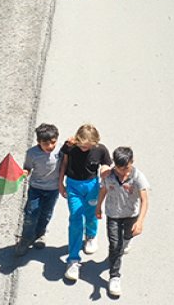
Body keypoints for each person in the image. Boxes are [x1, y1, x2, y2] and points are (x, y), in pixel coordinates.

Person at [60, 124, 112, 283]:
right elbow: (64, 163)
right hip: (73, 186)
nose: (84, 148)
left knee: (91, 214)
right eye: (81, 144)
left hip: (92, 186)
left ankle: (91, 235)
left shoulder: (101, 149)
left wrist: (105, 171)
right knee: (75, 218)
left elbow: (105, 164)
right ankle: (73, 260)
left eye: (87, 146)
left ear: (95, 143)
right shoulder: (70, 146)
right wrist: (60, 183)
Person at [96, 146, 150, 298]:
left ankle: (127, 240)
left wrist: (140, 222)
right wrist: (98, 207)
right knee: (115, 246)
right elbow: (103, 190)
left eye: (126, 168)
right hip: (113, 214)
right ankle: (114, 276)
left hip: (130, 214)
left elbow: (145, 201)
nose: (122, 172)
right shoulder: (109, 175)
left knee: (127, 236)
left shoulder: (138, 177)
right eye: (119, 169)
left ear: (132, 162)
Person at [17, 123, 62, 256]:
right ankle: (25, 239)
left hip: (52, 189)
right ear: (38, 142)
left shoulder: (61, 151)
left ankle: (40, 234)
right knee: (31, 214)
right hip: (36, 188)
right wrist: (25, 172)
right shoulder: (32, 153)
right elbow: (28, 168)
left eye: (53, 142)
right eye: (45, 143)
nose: (50, 147)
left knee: (46, 213)